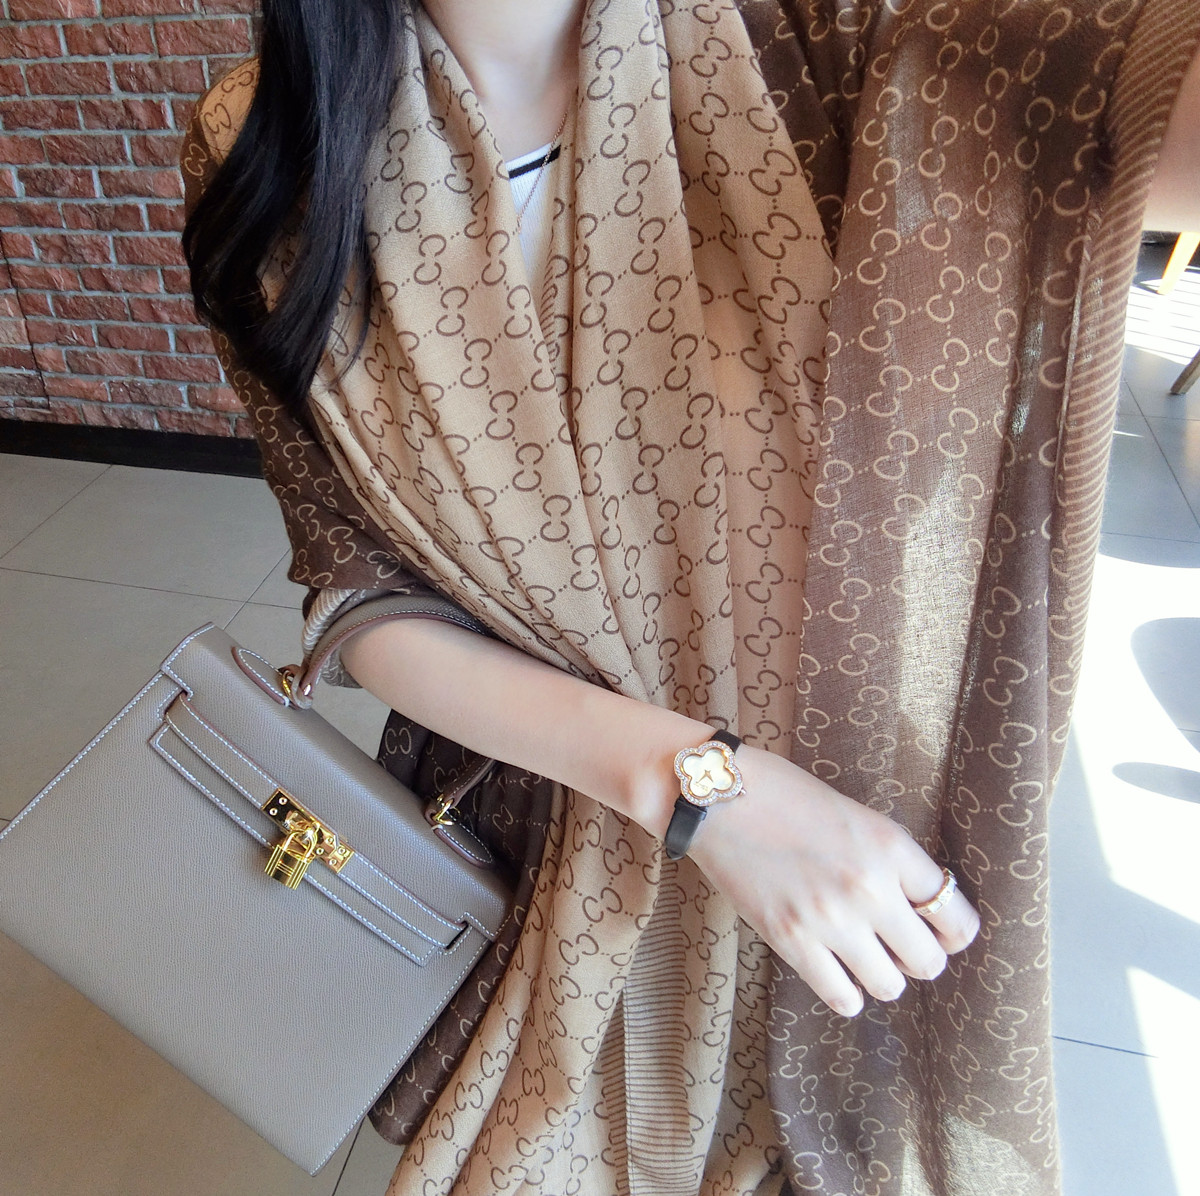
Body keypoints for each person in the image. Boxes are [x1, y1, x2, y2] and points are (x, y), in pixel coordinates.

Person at [181, 2, 1200, 1192]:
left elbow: (1132, 94)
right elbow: (358, 587)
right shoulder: (263, 140)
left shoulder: (819, 37)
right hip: (540, 842)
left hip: (847, 860)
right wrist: (701, 788)